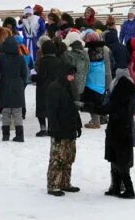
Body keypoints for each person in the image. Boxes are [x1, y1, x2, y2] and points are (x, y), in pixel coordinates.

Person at [95, 68, 135, 199]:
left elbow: (106, 107)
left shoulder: (115, 89)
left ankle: (124, 188)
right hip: (125, 128)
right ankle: (117, 187)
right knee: (119, 158)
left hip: (117, 129)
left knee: (119, 159)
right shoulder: (131, 90)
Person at [45, 65, 82, 196]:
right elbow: (52, 112)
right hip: (59, 129)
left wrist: (78, 124)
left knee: (69, 157)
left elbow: (74, 107)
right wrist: (54, 129)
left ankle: (65, 183)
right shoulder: (54, 88)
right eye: (71, 75)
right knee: (57, 158)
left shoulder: (70, 86)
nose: (73, 77)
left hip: (70, 127)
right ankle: (53, 184)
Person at [0, 35, 28, 142]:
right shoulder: (20, 57)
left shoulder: (1, 57)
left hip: (5, 84)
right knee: (17, 112)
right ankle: (20, 135)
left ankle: (5, 135)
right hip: (17, 85)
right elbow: (25, 74)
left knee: (6, 111)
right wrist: (22, 85)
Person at [33, 41, 64, 137]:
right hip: (55, 88)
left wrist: (33, 78)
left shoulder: (42, 61)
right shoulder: (59, 61)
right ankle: (51, 127)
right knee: (53, 108)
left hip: (43, 88)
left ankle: (43, 128)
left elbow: (41, 76)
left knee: (42, 108)